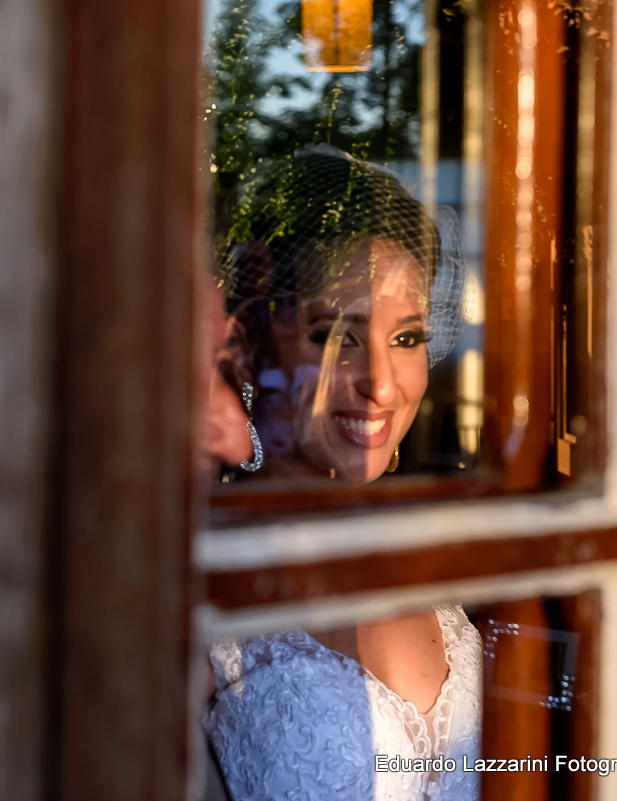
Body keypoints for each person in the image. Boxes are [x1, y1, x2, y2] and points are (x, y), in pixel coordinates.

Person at [201, 148, 481, 801]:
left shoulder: (438, 557)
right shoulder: (204, 584)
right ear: (250, 352)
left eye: (406, 338)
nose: (381, 384)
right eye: (335, 337)